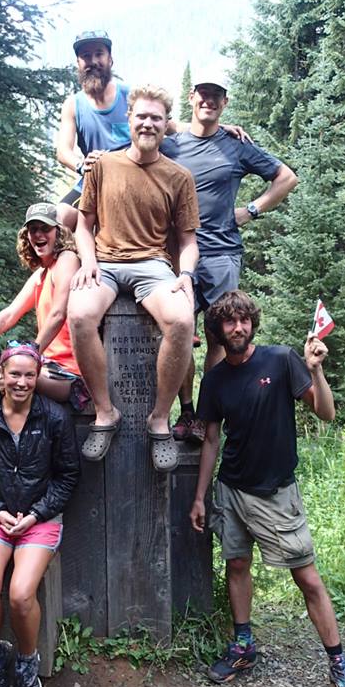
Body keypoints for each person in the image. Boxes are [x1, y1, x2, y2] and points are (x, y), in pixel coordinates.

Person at [189, 290, 345, 687]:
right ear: (218, 329)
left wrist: (316, 369)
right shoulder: (214, 380)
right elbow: (211, 440)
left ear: (253, 323)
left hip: (276, 494)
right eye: (229, 322)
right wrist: (200, 496)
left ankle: (340, 668)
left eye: (244, 320)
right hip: (231, 489)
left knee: (307, 578)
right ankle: (243, 645)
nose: (238, 328)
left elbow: (325, 413)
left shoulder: (282, 359)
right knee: (236, 564)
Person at [68, 84, 199, 473]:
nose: (148, 124)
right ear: (129, 119)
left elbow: (188, 241)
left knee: (181, 320)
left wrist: (186, 274)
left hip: (152, 265)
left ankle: (159, 419)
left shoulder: (178, 177)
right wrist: (87, 260)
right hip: (105, 262)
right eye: (141, 116)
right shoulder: (103, 166)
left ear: (165, 124)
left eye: (156, 118)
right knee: (80, 314)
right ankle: (104, 412)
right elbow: (83, 225)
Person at [168, 77, 299, 444]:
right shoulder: (171, 143)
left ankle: (205, 418)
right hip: (177, 255)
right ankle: (186, 411)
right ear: (191, 97)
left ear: (224, 102)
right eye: (203, 94)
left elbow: (286, 178)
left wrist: (252, 210)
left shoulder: (237, 146)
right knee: (179, 332)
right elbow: (143, 132)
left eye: (216, 96)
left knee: (218, 337)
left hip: (222, 254)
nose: (208, 101)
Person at [0, 342, 80, 687]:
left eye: (30, 375)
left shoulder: (54, 417)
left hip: (39, 519)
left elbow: (68, 475)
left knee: (20, 594)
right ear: (2, 374)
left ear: (38, 375)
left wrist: (37, 512)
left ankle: (28, 668)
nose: (22, 382)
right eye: (15, 374)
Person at [55, 31, 249, 230]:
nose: (93, 61)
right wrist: (82, 166)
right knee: (59, 217)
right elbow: (63, 152)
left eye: (99, 54)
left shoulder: (130, 96)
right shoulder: (74, 105)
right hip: (96, 178)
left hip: (136, 176)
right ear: (78, 63)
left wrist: (215, 127)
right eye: (86, 56)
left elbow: (171, 127)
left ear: (110, 59)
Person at [0, 203, 87, 407]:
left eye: (45, 228)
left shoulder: (67, 259)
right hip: (46, 366)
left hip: (70, 373)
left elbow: (58, 313)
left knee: (1, 380)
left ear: (58, 232)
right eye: (33, 229)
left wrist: (31, 355)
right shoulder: (42, 274)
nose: (39, 234)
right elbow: (10, 314)